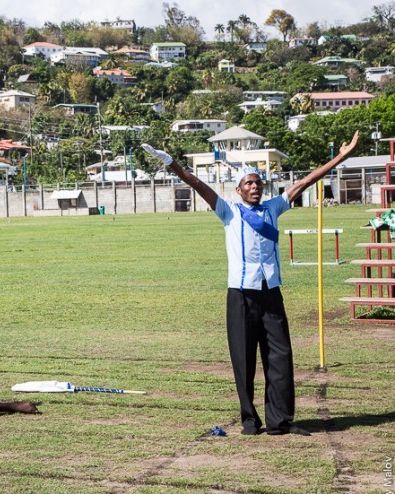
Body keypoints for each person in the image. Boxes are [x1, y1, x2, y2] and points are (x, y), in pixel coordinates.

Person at [141, 132, 358, 436]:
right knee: (244, 360)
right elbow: (198, 185)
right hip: (241, 296)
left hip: (271, 294)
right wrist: (172, 164)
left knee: (280, 356)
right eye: (249, 184)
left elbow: (305, 182)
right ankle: (249, 420)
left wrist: (341, 157)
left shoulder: (274, 208)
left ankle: (280, 421)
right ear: (239, 190)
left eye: (258, 183)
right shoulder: (229, 212)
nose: (255, 187)